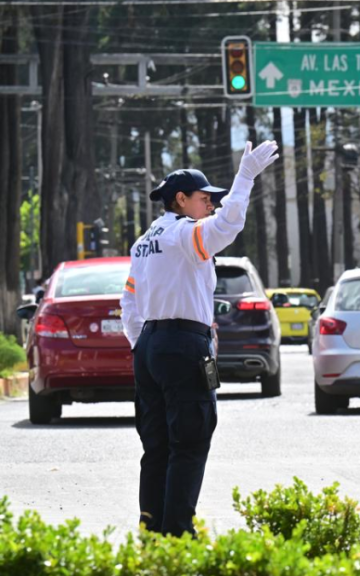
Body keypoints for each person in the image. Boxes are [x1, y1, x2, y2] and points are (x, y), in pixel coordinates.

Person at [120, 141, 279, 536]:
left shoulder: (144, 243)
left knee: (156, 448)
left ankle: (152, 531)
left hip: (151, 346)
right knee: (189, 443)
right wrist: (244, 178)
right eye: (204, 197)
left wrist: (145, 344)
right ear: (180, 199)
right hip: (180, 345)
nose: (210, 204)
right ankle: (177, 535)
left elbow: (129, 302)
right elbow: (227, 227)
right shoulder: (183, 234)